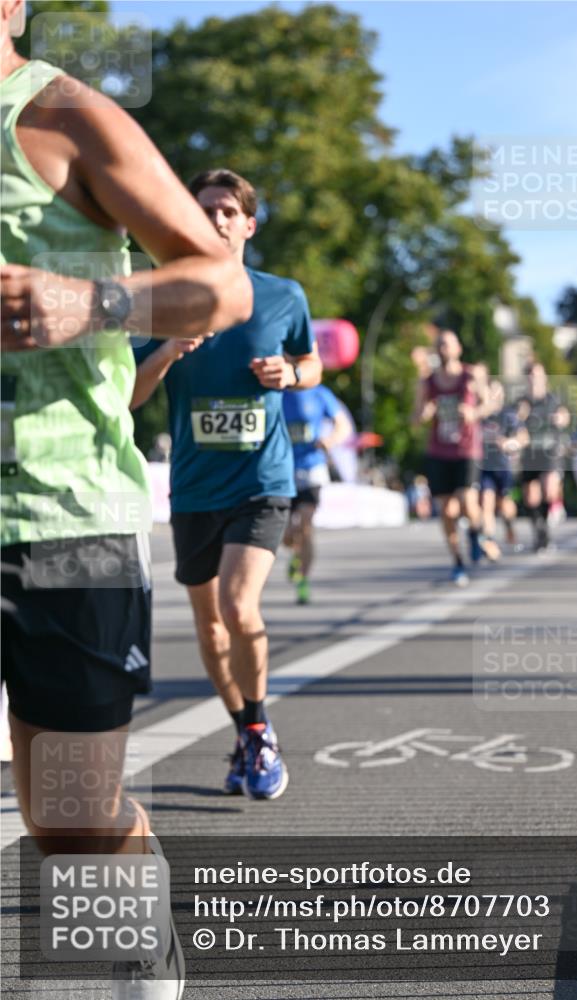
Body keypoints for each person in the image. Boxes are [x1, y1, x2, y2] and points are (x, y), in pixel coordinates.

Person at [0, 3, 252, 996]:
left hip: (61, 521)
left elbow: (220, 288)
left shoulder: (69, 118)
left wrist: (95, 303)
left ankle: (146, 952)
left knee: (66, 818)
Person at [132, 168, 322, 802]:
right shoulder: (164, 298)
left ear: (248, 224)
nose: (215, 218)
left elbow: (311, 361)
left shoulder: (281, 295)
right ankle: (243, 730)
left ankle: (261, 728)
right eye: (204, 208)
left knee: (241, 608)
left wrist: (289, 376)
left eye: (226, 210)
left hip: (263, 479)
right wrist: (166, 352)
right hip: (193, 488)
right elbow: (131, 397)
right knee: (210, 628)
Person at [413, 329, 485, 586]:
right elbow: (415, 417)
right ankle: (457, 561)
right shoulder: (428, 382)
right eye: (439, 345)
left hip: (466, 449)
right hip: (439, 451)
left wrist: (473, 413)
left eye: (448, 345)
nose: (443, 349)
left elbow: (489, 403)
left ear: (458, 349)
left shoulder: (470, 375)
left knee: (467, 501)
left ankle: (476, 532)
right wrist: (426, 413)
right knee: (446, 510)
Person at [282, 384, 352, 603]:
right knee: (285, 534)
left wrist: (330, 440)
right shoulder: (276, 391)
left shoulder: (320, 393)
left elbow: (343, 425)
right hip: (282, 470)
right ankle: (296, 553)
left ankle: (303, 581)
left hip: (312, 468)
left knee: (305, 525)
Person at [518, 362, 570, 552]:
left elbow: (565, 417)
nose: (534, 379)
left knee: (549, 491)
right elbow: (515, 425)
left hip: (550, 451)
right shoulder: (522, 403)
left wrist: (560, 419)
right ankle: (539, 530)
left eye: (538, 375)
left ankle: (545, 529)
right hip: (530, 452)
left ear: (545, 378)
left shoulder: (553, 399)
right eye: (531, 375)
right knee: (531, 499)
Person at [479, 379, 521, 556]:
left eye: (497, 392)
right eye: (491, 392)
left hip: (502, 466)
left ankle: (510, 526)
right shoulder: (480, 415)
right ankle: (490, 541)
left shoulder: (508, 414)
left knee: (504, 505)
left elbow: (523, 437)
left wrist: (509, 443)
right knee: (486, 503)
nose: (494, 396)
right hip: (484, 466)